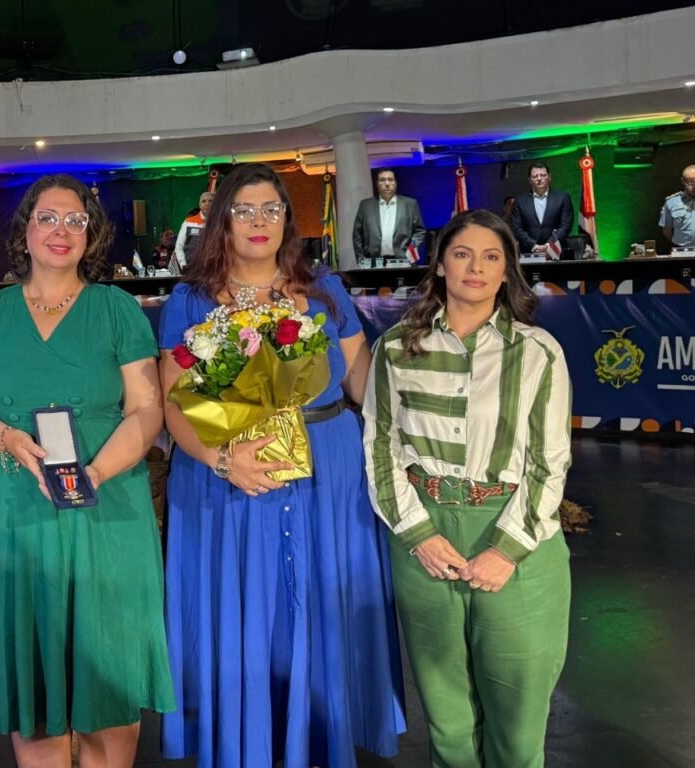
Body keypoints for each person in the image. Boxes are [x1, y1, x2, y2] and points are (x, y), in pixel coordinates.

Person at [158, 163, 406, 768]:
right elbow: (174, 403)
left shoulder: (324, 290)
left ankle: (319, 732)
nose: (258, 221)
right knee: (250, 608)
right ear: (222, 221)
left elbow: (362, 383)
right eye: (244, 210)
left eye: (271, 209)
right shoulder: (190, 300)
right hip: (232, 473)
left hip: (328, 469)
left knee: (322, 600)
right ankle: (248, 736)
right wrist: (221, 459)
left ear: (287, 220)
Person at [0, 173, 174, 768]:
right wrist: (4, 436)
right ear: (25, 229)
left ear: (91, 234)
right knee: (33, 685)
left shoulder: (116, 308)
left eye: (75, 220)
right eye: (48, 218)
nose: (61, 231)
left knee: (108, 682)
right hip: (13, 509)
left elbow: (147, 408)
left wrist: (95, 474)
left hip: (108, 507)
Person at [363, 209, 572, 768]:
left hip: (515, 537)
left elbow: (550, 462)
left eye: (490, 257)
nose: (475, 267)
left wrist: (506, 551)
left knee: (518, 724)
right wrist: (419, 536)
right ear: (440, 265)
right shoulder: (396, 348)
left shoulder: (538, 351)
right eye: (462, 254)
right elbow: (380, 448)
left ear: (507, 271)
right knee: (448, 720)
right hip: (424, 534)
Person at [352, 168, 426, 267]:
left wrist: (412, 248)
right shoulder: (365, 205)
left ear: (396, 183)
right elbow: (357, 234)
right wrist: (361, 259)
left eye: (390, 180)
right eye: (382, 180)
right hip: (373, 262)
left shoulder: (410, 204)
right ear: (377, 183)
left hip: (403, 260)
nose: (387, 184)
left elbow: (420, 230)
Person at [510, 162, 574, 259]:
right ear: (529, 180)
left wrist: (549, 245)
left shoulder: (563, 198)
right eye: (535, 176)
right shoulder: (519, 201)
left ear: (549, 177)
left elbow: (566, 225)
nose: (539, 179)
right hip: (529, 252)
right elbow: (516, 228)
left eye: (543, 175)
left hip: (557, 253)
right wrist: (533, 245)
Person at [173, 190, 215, 271]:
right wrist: (183, 265)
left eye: (210, 201)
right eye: (204, 201)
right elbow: (179, 246)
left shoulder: (220, 223)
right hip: (191, 269)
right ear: (200, 204)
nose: (207, 204)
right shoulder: (188, 222)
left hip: (213, 271)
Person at [658, 164, 695, 249]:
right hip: (682, 250)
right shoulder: (672, 202)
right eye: (690, 183)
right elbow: (667, 230)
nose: (694, 186)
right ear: (683, 181)